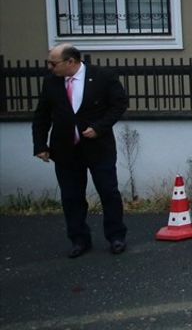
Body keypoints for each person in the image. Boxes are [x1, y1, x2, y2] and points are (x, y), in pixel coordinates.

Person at [32, 43, 128, 258]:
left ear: (71, 62)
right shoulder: (51, 83)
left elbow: (119, 104)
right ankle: (78, 239)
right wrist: (40, 145)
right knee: (72, 196)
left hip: (98, 147)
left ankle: (116, 236)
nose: (50, 67)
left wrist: (99, 127)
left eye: (53, 63)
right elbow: (42, 115)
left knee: (108, 192)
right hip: (66, 149)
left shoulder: (102, 76)